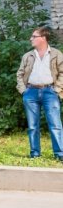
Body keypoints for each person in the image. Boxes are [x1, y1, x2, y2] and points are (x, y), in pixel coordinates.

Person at [16, 26, 63, 161]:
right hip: (30, 92)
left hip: (50, 92)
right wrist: (23, 91)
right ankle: (35, 153)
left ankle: (59, 154)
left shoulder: (56, 54)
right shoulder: (28, 56)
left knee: (55, 124)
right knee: (32, 126)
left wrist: (57, 89)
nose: (31, 38)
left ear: (43, 38)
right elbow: (19, 74)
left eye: (34, 36)